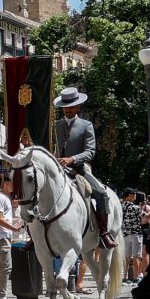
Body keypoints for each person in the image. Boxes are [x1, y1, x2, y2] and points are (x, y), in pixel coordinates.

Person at [52, 87, 114, 248]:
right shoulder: (56, 125)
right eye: (66, 107)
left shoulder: (86, 125)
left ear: (78, 107)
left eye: (72, 106)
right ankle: (37, 235)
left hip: (79, 169)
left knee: (100, 193)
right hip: (58, 169)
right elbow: (53, 148)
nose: (68, 110)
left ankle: (104, 232)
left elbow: (90, 152)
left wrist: (72, 159)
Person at [120, 189, 147, 282]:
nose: (135, 195)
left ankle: (124, 277)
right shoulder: (136, 208)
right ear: (128, 196)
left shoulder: (121, 206)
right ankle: (136, 277)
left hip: (125, 234)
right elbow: (146, 216)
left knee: (126, 256)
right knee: (137, 256)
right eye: (133, 194)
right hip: (136, 234)